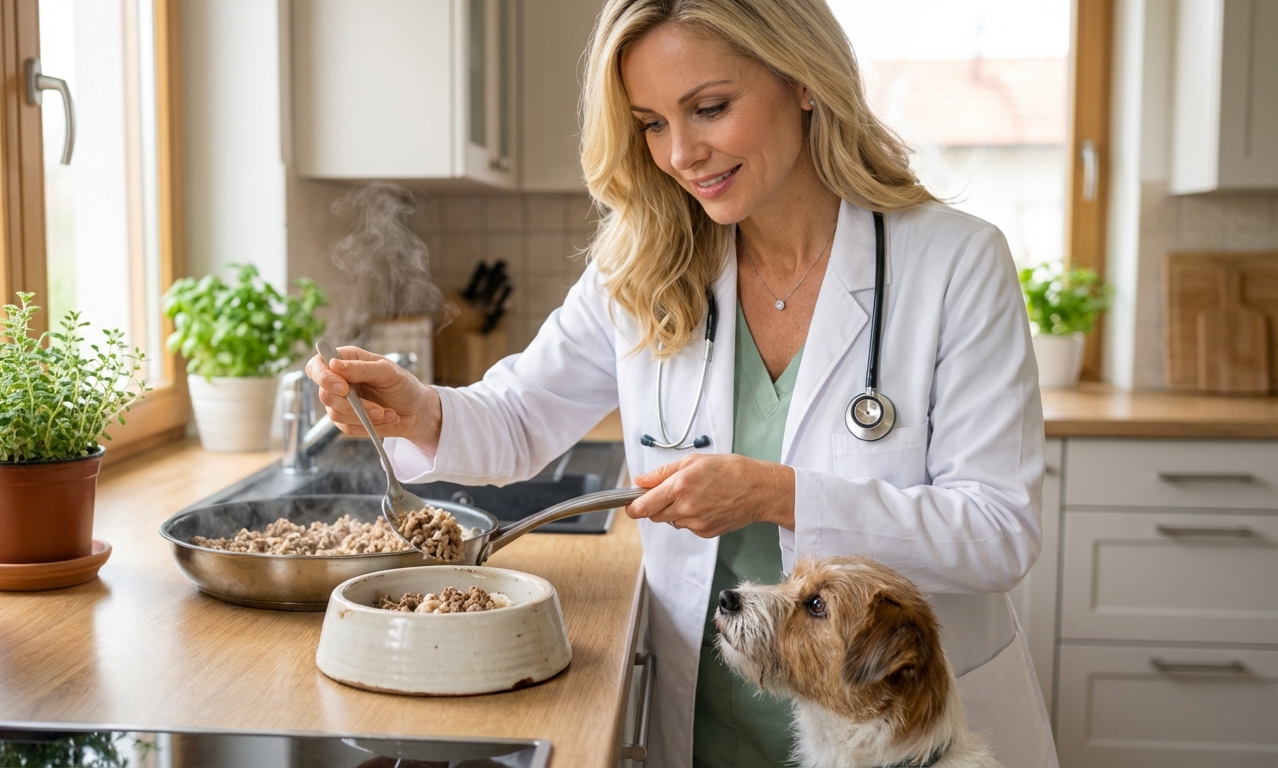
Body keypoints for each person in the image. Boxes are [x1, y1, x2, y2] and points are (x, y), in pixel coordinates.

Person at [306, 1, 1057, 766]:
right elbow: (520, 414)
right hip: (711, 713)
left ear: (803, 79)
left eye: (709, 108)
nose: (681, 153)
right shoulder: (644, 262)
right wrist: (419, 411)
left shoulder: (955, 264)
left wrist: (778, 494)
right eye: (651, 124)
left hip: (902, 734)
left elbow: (999, 531)